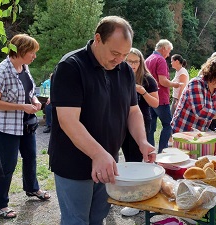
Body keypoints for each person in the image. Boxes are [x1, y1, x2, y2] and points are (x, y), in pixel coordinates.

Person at [48, 16, 156, 224]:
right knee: (76, 220)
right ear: (98, 39)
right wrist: (98, 154)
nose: (119, 60)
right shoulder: (71, 67)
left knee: (98, 218)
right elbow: (68, 120)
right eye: (115, 53)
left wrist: (142, 141)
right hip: (74, 163)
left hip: (108, 162)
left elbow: (132, 111)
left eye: (124, 54)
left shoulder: (124, 70)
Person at [0, 34, 50, 219]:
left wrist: (33, 100)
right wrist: (21, 107)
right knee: (7, 165)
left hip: (26, 124)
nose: (34, 56)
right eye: (32, 52)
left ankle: (32, 188)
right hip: (7, 127)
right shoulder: (0, 71)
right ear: (22, 51)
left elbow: (29, 90)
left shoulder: (24, 67)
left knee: (31, 156)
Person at [120, 48, 159, 217]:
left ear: (141, 62)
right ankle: (132, 193)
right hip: (121, 123)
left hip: (142, 123)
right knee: (128, 158)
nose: (132, 65)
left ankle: (139, 199)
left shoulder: (148, 79)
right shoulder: (119, 75)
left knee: (140, 159)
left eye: (136, 61)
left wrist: (142, 91)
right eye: (129, 61)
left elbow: (156, 103)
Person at [145, 39, 181, 153]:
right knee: (168, 125)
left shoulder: (148, 59)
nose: (169, 54)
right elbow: (163, 81)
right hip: (160, 98)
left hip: (149, 98)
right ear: (164, 48)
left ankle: (151, 152)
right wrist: (175, 84)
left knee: (151, 128)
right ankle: (162, 152)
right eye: (169, 51)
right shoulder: (160, 60)